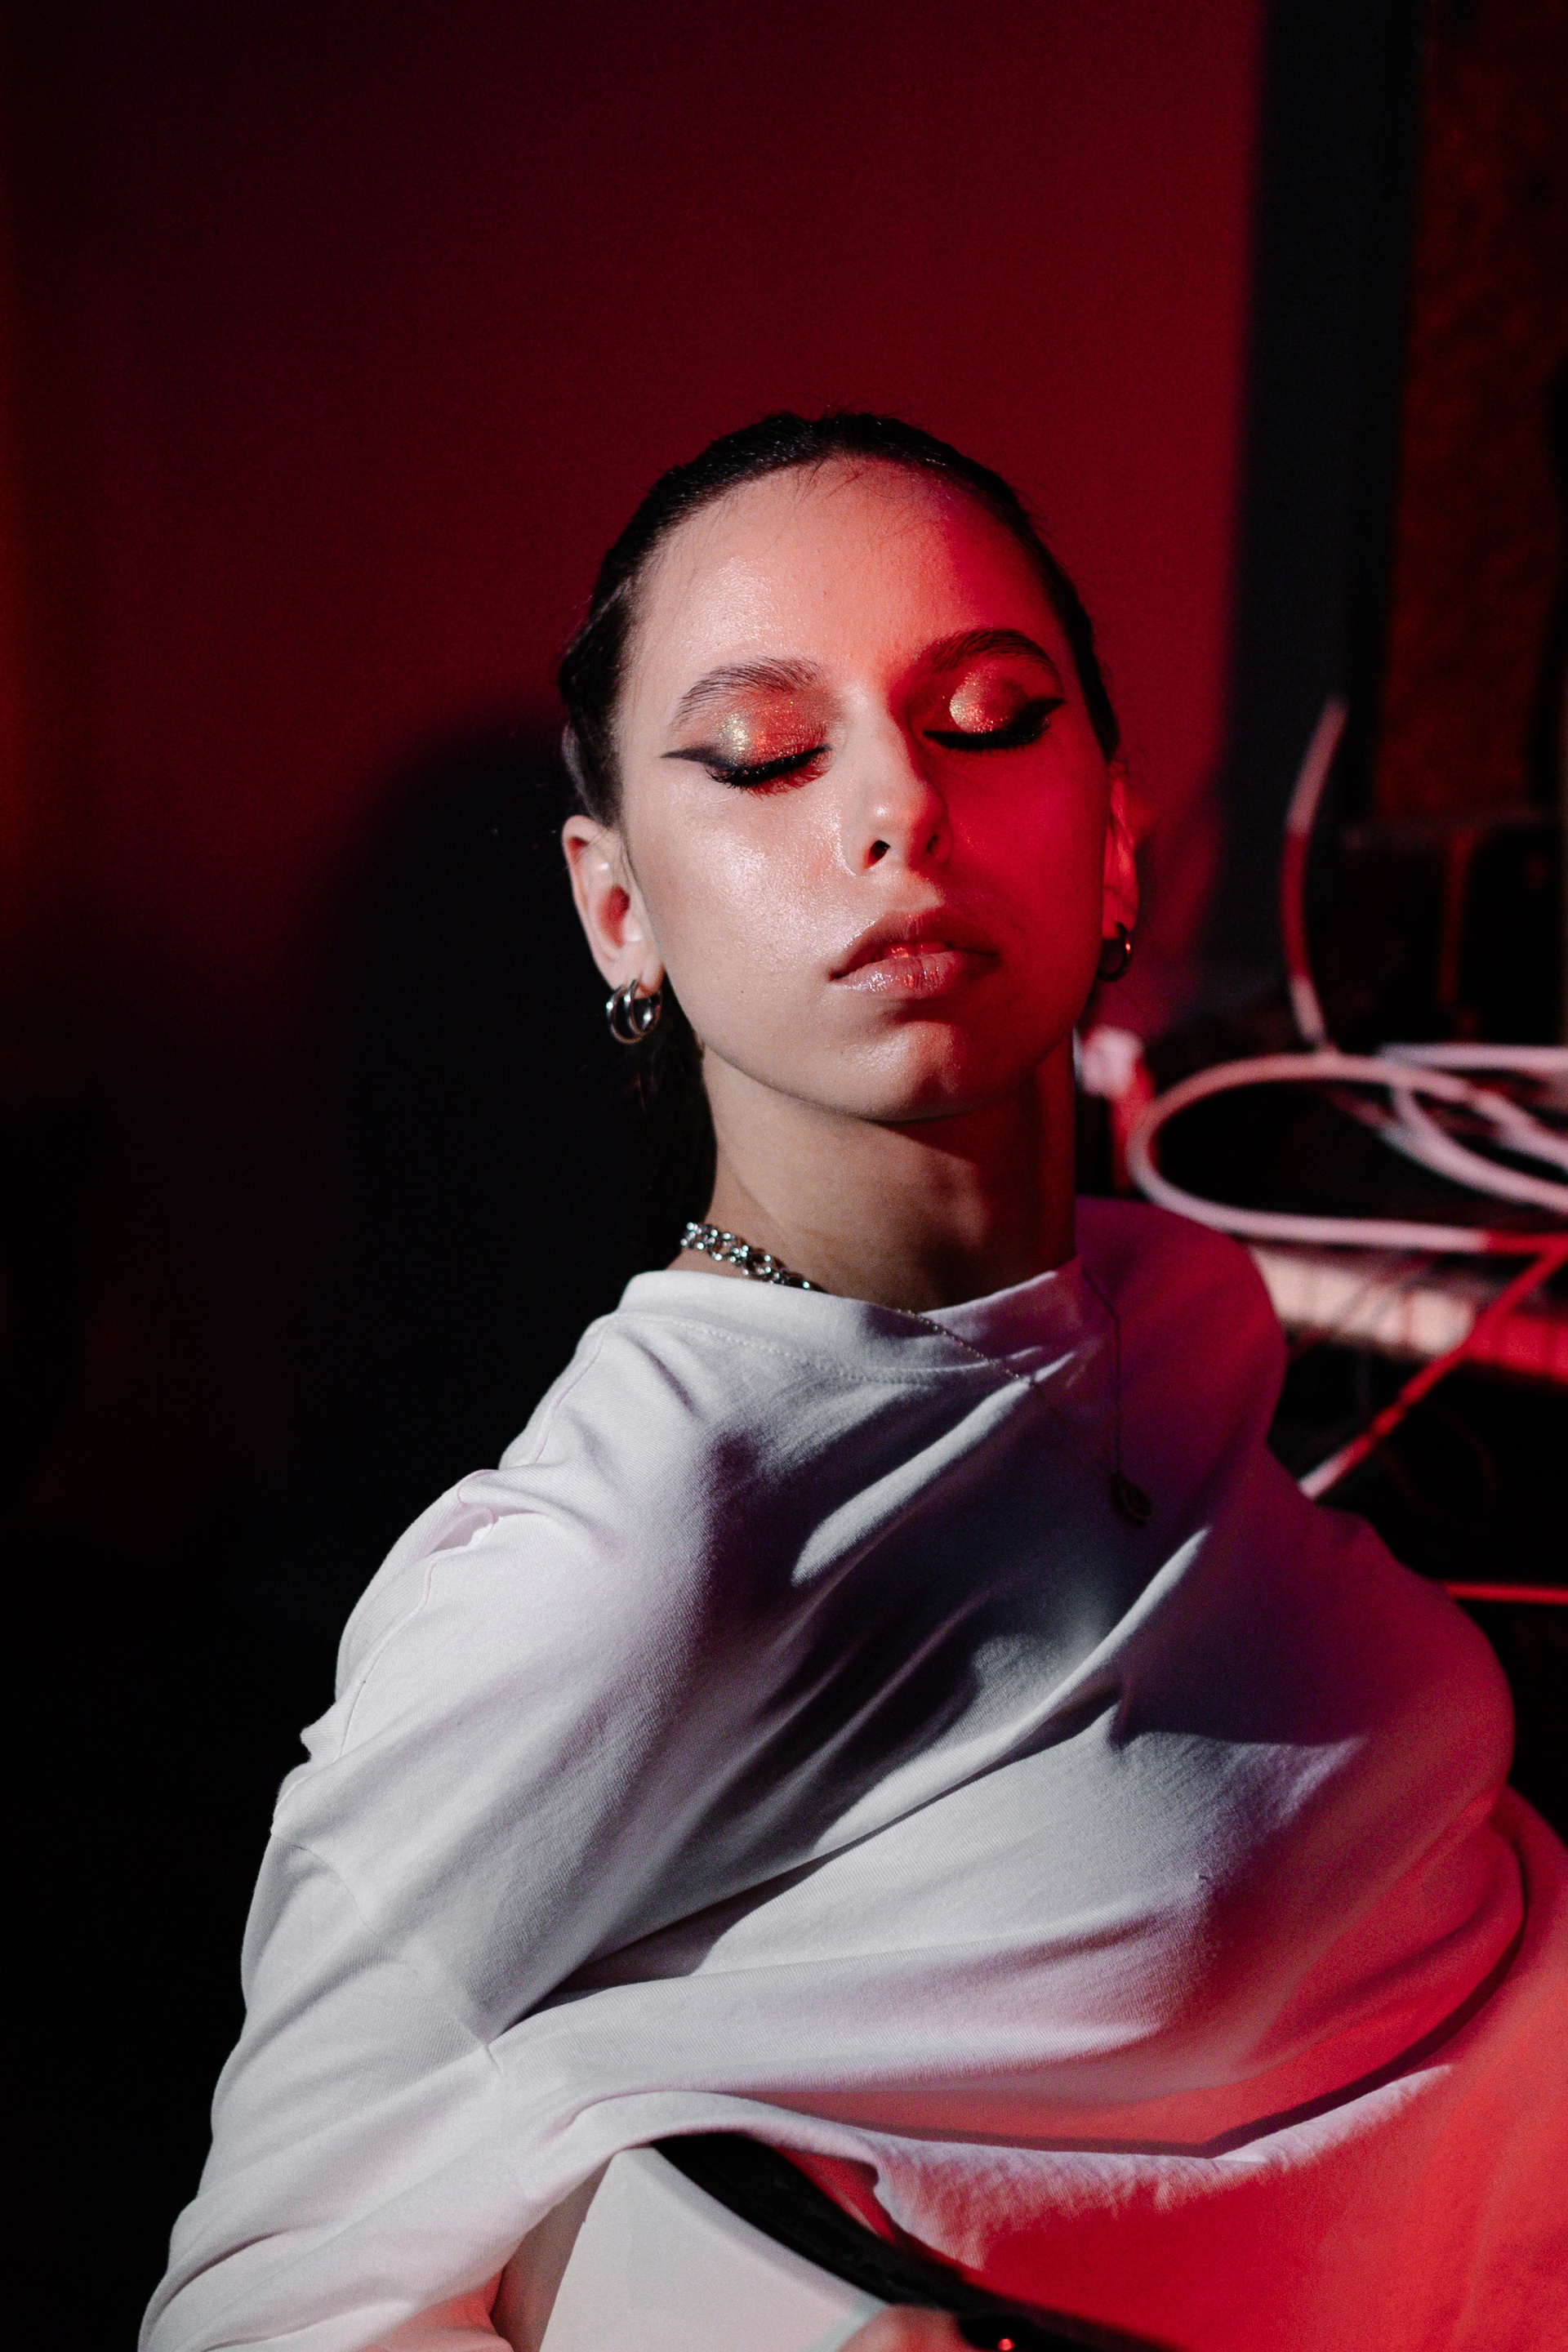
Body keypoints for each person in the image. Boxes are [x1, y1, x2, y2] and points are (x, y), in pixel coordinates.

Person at [142, 413, 1567, 2352]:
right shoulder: (623, 1560)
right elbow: (246, 2312)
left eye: (989, 719)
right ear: (619, 909)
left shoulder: (1168, 1315)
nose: (900, 804)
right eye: (765, 753)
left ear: (1117, 843)